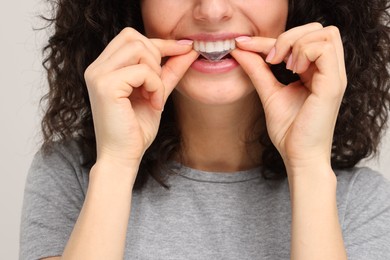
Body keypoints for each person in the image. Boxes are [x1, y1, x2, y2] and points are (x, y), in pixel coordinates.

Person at [20, 0, 390, 259]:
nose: (212, 11)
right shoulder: (70, 176)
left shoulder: (361, 204)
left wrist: (308, 165)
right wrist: (117, 162)